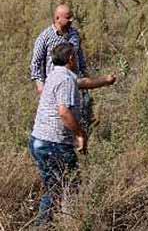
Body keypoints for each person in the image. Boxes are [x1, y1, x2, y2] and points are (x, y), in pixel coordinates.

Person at [30, 4, 116, 132]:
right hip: (55, 84)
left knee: (83, 110)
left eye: (72, 18)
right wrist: (41, 87)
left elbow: (79, 55)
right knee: (58, 116)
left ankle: (82, 135)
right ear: (57, 18)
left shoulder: (75, 34)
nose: (71, 20)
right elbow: (36, 63)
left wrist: (84, 73)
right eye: (68, 18)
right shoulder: (45, 37)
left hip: (76, 81)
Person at [28, 43, 87, 225]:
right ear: (70, 58)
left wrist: (106, 81)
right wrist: (80, 134)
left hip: (39, 140)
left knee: (55, 186)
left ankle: (54, 223)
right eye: (75, 57)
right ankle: (52, 225)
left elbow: (84, 83)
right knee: (67, 185)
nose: (77, 60)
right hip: (53, 144)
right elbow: (64, 112)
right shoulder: (66, 80)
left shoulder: (55, 75)